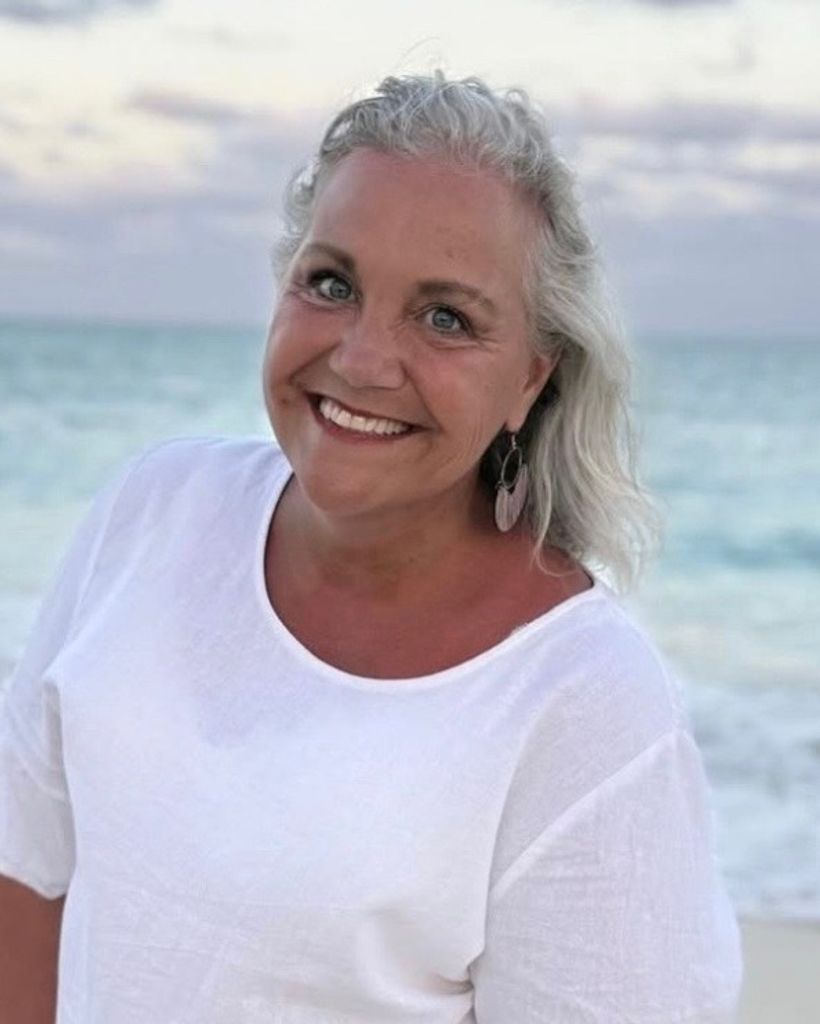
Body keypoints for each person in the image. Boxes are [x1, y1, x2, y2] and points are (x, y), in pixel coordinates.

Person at [0, 72, 743, 1022]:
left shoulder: (585, 705)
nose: (359, 359)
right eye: (332, 283)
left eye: (445, 318)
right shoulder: (155, 508)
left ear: (530, 379)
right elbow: (26, 871)